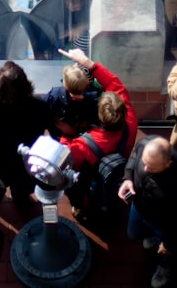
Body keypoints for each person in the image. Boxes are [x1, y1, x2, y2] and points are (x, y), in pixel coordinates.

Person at [56, 48, 139, 217]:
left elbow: (66, 158)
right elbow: (114, 82)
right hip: (117, 162)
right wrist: (87, 62)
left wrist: (66, 134)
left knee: (77, 188)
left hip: (92, 180)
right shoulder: (130, 118)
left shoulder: (84, 144)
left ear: (100, 115)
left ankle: (81, 208)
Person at [117, 137, 177, 288]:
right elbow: (135, 156)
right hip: (140, 207)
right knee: (133, 234)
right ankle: (151, 236)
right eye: (145, 163)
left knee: (167, 252)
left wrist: (169, 244)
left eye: (152, 168)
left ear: (168, 164)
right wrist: (128, 177)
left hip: (164, 223)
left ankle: (165, 267)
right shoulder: (146, 143)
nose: (146, 169)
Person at [0, 61, 52, 204]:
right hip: (25, 162)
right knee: (22, 193)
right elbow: (51, 127)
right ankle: (20, 200)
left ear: (0, 86)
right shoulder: (39, 106)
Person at [43, 60, 101, 140]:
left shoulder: (53, 96)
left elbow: (44, 115)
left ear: (65, 85)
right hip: (82, 139)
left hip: (58, 137)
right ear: (87, 83)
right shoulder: (91, 100)